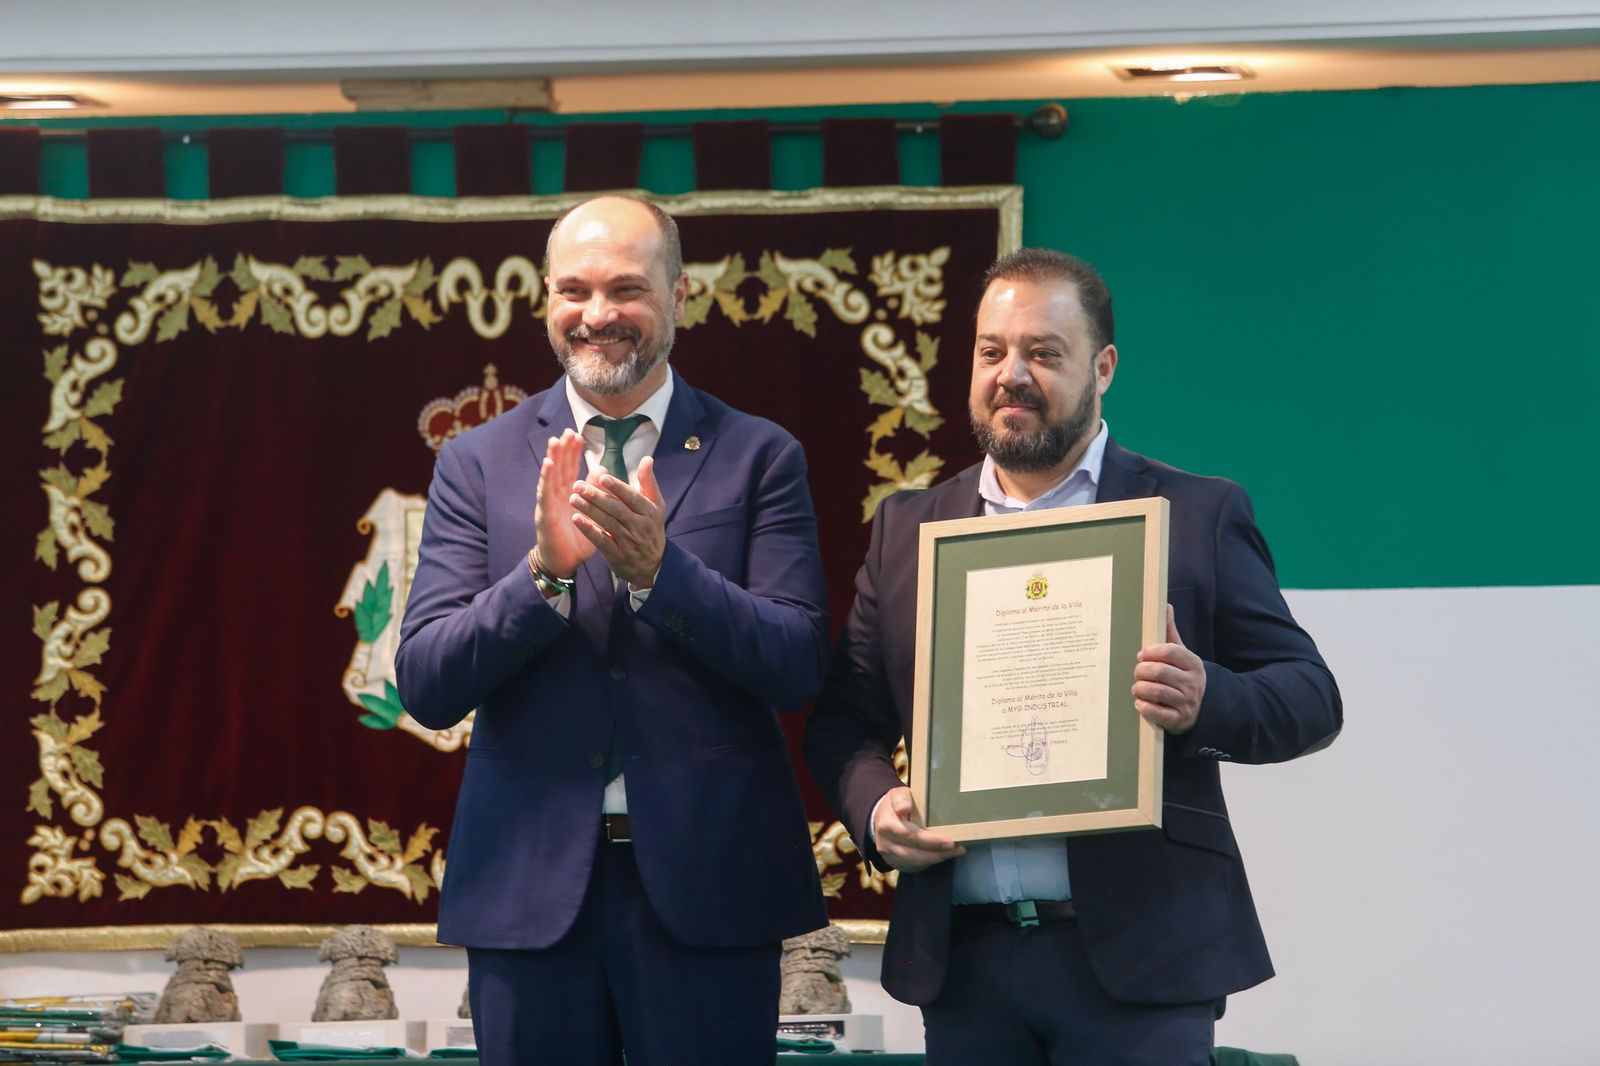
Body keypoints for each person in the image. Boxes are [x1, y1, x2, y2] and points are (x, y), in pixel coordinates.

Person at [804, 248, 1342, 1065]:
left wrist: (1206, 699)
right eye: (991, 351)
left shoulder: (1195, 514)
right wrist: (879, 810)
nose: (1010, 374)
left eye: (1043, 353)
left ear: (1104, 367)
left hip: (1144, 958)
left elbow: (1310, 697)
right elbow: (843, 722)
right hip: (965, 963)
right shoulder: (910, 529)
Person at [396, 195, 830, 1065]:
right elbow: (429, 682)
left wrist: (661, 575)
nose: (598, 315)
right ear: (547, 302)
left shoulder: (759, 454)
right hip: (529, 893)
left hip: (710, 889)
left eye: (627, 289)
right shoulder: (476, 463)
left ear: (679, 296)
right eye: (575, 291)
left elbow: (796, 664)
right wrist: (543, 575)